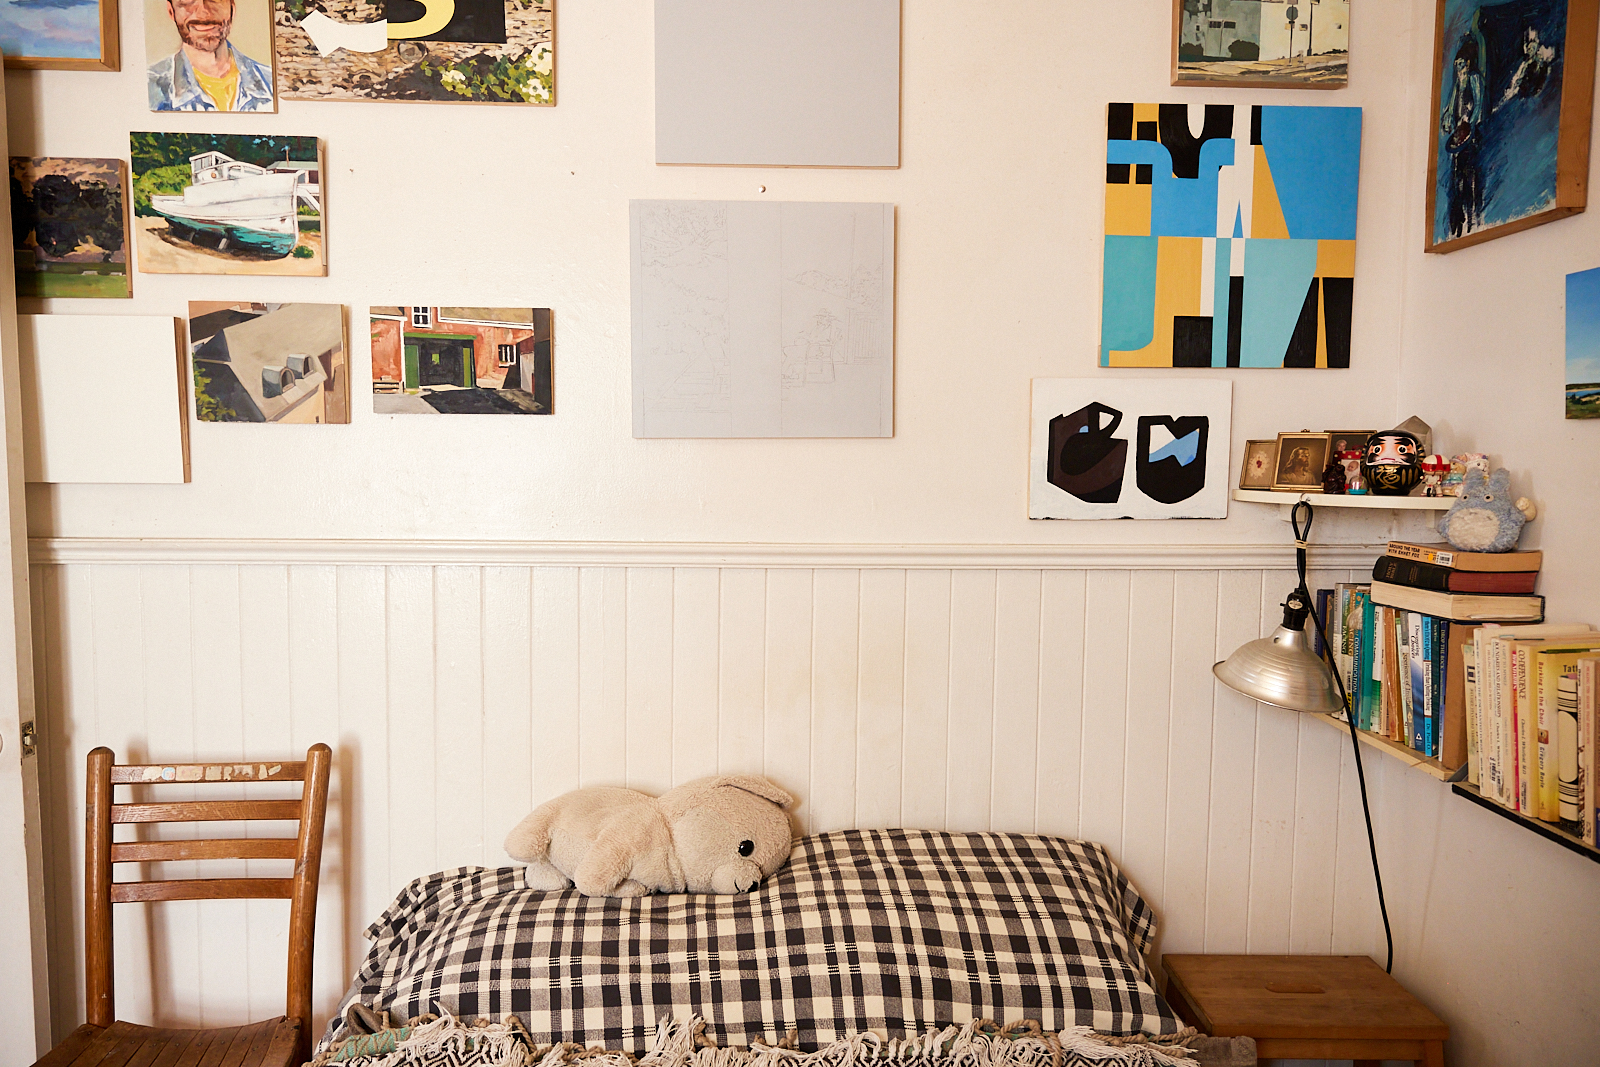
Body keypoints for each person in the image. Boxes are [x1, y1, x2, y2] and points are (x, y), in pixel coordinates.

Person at [148, 0, 273, 112]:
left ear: (232, 8)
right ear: (171, 11)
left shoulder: (270, 82)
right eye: (187, 1)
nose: (203, 12)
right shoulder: (150, 87)